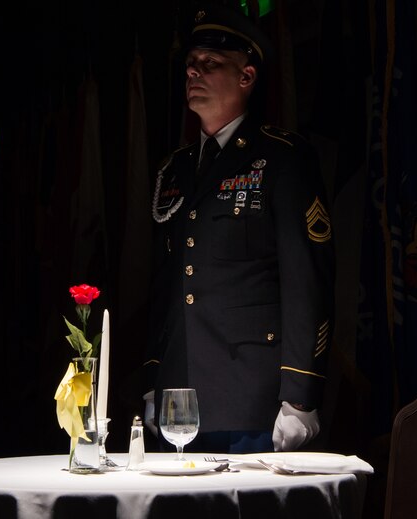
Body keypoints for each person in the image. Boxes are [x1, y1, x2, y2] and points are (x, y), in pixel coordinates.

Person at [143, 1, 335, 454]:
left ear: (246, 77)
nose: (194, 72)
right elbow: (165, 287)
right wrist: (155, 376)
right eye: (191, 64)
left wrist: (300, 393)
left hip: (254, 396)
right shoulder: (175, 168)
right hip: (180, 397)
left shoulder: (282, 158)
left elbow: (307, 283)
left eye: (210, 63)